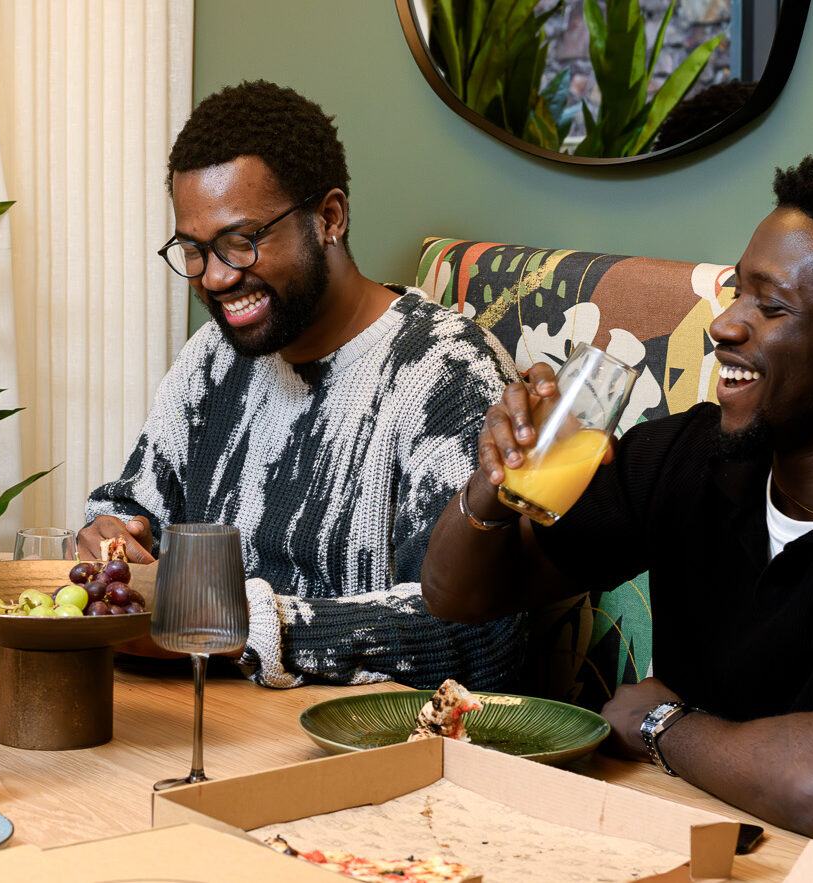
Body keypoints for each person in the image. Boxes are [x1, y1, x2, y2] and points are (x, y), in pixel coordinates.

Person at [419, 154, 813, 873]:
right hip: (698, 848)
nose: (724, 325)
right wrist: (492, 486)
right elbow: (458, 594)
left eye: (771, 306)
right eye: (735, 293)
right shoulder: (688, 456)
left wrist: (659, 724)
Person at [78, 80, 528, 690]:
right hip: (207, 718)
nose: (213, 278)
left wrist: (256, 630)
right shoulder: (213, 356)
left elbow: (470, 626)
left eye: (240, 242)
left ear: (329, 218)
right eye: (193, 250)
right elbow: (138, 509)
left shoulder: (446, 374)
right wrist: (112, 538)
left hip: (367, 746)